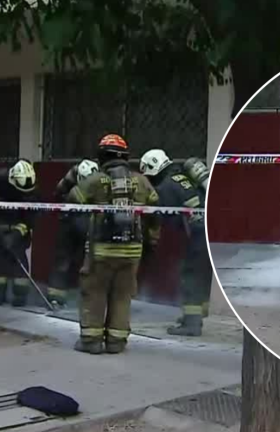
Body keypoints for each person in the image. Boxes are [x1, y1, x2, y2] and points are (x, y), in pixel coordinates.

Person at [68, 134, 160, 354]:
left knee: (95, 291)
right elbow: (155, 211)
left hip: (101, 250)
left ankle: (91, 341)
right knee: (122, 295)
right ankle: (117, 342)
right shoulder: (142, 181)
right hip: (132, 251)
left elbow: (73, 200)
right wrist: (152, 239)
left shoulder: (95, 180)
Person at [140, 149, 211, 336]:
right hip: (207, 230)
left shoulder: (165, 187)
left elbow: (166, 218)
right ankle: (195, 315)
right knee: (200, 274)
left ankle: (192, 324)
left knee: (190, 275)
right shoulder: (182, 177)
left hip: (197, 234)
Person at [0, 159, 38, 307]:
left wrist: (17, 234)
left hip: (20, 224)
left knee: (20, 261)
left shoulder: (32, 190)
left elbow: (32, 217)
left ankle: (20, 295)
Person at [47, 159, 99, 307]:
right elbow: (58, 193)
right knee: (62, 259)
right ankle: (55, 298)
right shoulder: (71, 178)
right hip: (69, 222)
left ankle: (88, 297)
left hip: (88, 222)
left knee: (88, 260)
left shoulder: (99, 178)